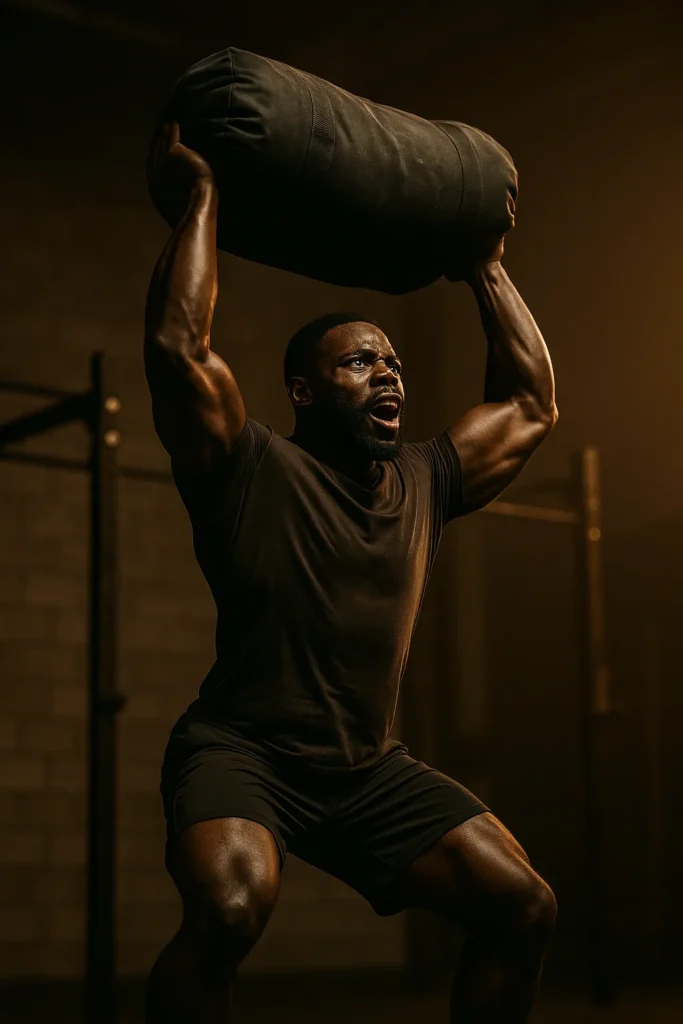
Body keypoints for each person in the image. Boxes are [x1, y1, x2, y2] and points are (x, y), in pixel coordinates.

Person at [143, 123, 559, 1024]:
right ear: (303, 389)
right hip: (241, 754)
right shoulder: (246, 467)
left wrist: (484, 264)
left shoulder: (426, 478)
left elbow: (530, 403)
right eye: (360, 361)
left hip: (366, 772)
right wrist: (203, 198)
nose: (389, 376)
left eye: (395, 363)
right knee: (227, 910)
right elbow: (180, 351)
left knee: (522, 905)